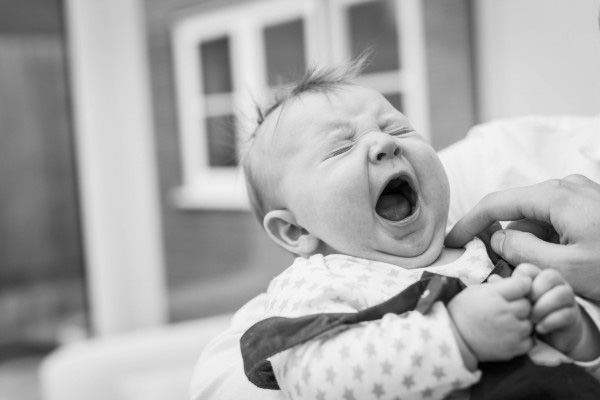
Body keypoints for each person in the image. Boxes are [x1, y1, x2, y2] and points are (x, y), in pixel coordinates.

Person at [198, 60, 600, 400]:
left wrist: (576, 337)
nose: (383, 143)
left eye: (397, 129)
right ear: (293, 230)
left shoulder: (483, 248)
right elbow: (313, 377)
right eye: (339, 148)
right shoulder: (318, 282)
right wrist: (455, 335)